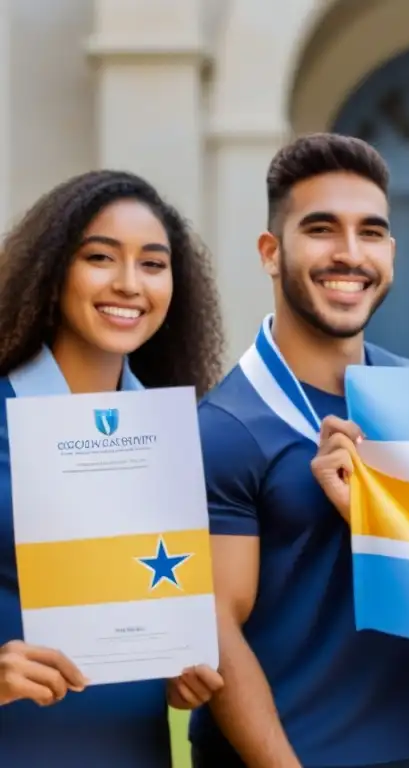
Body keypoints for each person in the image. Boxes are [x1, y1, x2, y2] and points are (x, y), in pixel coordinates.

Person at [189, 133, 409, 768]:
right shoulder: (223, 426)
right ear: (271, 253)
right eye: (322, 229)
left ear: (392, 252)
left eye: (372, 232)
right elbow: (220, 630)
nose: (350, 255)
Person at [0, 169, 226, 765]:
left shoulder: (177, 438)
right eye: (101, 258)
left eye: (153, 264)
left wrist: (180, 678)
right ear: (53, 273)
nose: (129, 284)